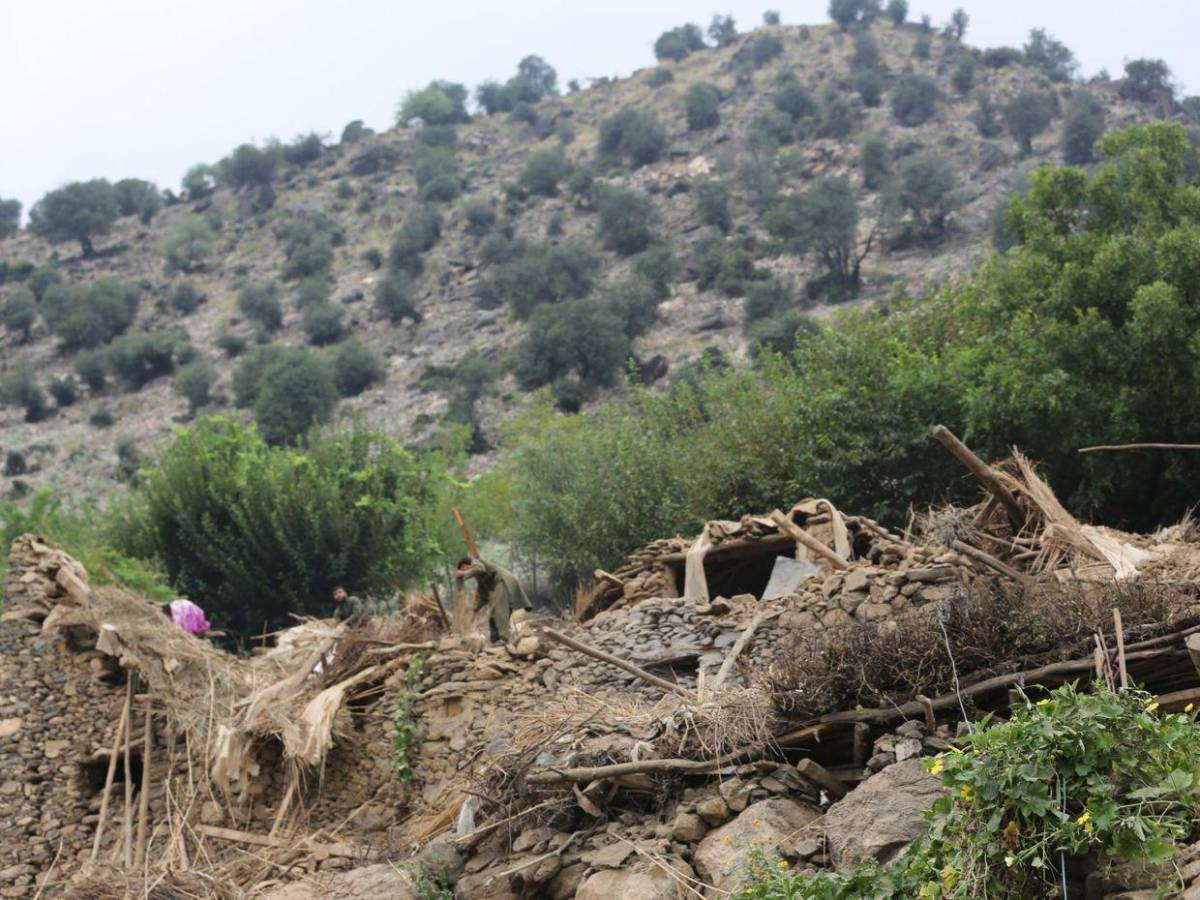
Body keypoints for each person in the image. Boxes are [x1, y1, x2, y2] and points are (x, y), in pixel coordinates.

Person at [455, 556, 531, 644]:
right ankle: (496, 640)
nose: (464, 572)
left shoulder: (476, 562)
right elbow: (483, 597)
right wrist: (474, 609)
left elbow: (480, 569)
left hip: (503, 580)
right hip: (504, 582)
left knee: (499, 608)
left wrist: (464, 573)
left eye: (463, 569)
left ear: (465, 565)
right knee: (494, 613)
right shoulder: (480, 578)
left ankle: (504, 638)